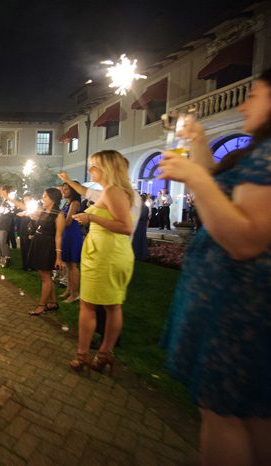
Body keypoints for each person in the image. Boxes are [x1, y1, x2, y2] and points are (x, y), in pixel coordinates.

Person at [158, 69, 271, 466]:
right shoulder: (257, 151)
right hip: (235, 299)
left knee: (223, 412)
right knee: (252, 414)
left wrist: (192, 176)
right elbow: (214, 185)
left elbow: (246, 239)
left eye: (255, 94)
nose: (244, 103)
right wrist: (200, 143)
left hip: (240, 304)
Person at [69, 150, 135, 375]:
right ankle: (103, 353)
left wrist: (91, 217)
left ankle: (84, 355)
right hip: (103, 252)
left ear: (107, 168)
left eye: (94, 166)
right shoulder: (109, 191)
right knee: (109, 305)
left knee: (92, 305)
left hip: (107, 255)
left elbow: (126, 227)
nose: (90, 170)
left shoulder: (114, 191)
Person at [25, 188, 65, 315]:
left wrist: (58, 257)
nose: (43, 198)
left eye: (45, 196)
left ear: (52, 199)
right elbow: (32, 214)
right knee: (44, 275)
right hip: (39, 243)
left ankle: (41, 306)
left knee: (45, 276)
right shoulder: (44, 211)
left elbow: (58, 236)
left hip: (48, 246)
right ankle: (53, 303)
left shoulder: (59, 215)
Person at [60, 181, 84, 303]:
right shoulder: (66, 203)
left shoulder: (75, 203)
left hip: (73, 235)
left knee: (73, 265)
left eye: (66, 189)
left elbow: (68, 221)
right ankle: (69, 289)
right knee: (68, 264)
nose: (63, 191)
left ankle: (75, 293)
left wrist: (56, 219)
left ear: (73, 190)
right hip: (66, 235)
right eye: (63, 188)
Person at [131, 193, 150, 260]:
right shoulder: (146, 208)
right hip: (142, 225)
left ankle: (137, 254)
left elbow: (138, 217)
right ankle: (141, 254)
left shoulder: (141, 207)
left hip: (139, 225)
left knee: (137, 239)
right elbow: (147, 218)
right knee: (141, 239)